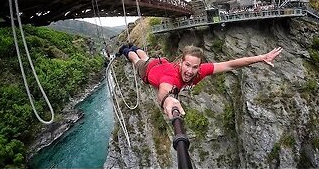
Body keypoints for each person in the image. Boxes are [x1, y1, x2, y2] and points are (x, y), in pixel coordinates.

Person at [116, 44, 283, 119]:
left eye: (194, 67)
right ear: (181, 62)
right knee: (137, 60)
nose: (190, 71)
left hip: (161, 62)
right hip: (149, 70)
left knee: (146, 55)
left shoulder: (200, 70)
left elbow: (230, 64)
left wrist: (261, 58)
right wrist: (168, 101)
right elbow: (164, 93)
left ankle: (133, 46)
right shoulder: (170, 78)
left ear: (199, 66)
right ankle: (126, 49)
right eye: (187, 65)